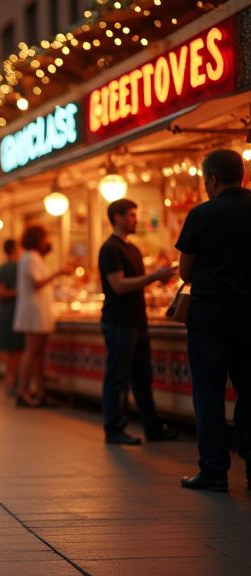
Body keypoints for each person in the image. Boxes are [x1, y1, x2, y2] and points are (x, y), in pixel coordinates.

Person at [175, 149, 251, 491]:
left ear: (213, 179)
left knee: (209, 394)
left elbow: (185, 271)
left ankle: (214, 471)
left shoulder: (201, 214)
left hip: (209, 319)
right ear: (243, 176)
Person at [98, 198, 179, 445]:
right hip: (119, 322)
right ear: (119, 218)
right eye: (132, 215)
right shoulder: (110, 249)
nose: (137, 220)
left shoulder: (132, 248)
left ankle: (152, 426)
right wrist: (154, 276)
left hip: (137, 320)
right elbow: (118, 285)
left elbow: (134, 284)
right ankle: (114, 429)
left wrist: (157, 279)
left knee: (143, 377)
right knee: (118, 378)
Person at [13, 225, 70, 408]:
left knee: (38, 354)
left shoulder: (32, 257)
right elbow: (37, 283)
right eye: (45, 237)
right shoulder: (30, 257)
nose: (48, 240)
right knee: (32, 351)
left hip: (38, 310)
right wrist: (59, 273)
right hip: (34, 311)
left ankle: (39, 392)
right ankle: (23, 392)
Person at [0, 239, 25, 398]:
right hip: (12, 311)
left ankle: (11, 381)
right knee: (15, 349)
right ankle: (11, 382)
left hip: (9, 311)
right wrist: (22, 292)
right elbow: (1, 292)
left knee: (14, 350)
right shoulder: (12, 267)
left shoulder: (4, 268)